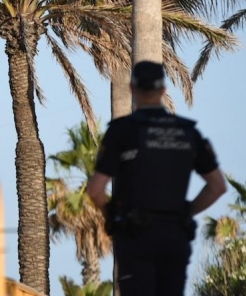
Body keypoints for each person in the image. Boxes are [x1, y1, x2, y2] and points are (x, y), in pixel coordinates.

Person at [86, 61, 227, 296]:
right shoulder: (188, 132)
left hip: (135, 237)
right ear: (163, 90)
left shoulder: (122, 131)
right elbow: (217, 187)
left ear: (132, 88)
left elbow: (95, 190)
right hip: (175, 236)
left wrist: (111, 215)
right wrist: (186, 212)